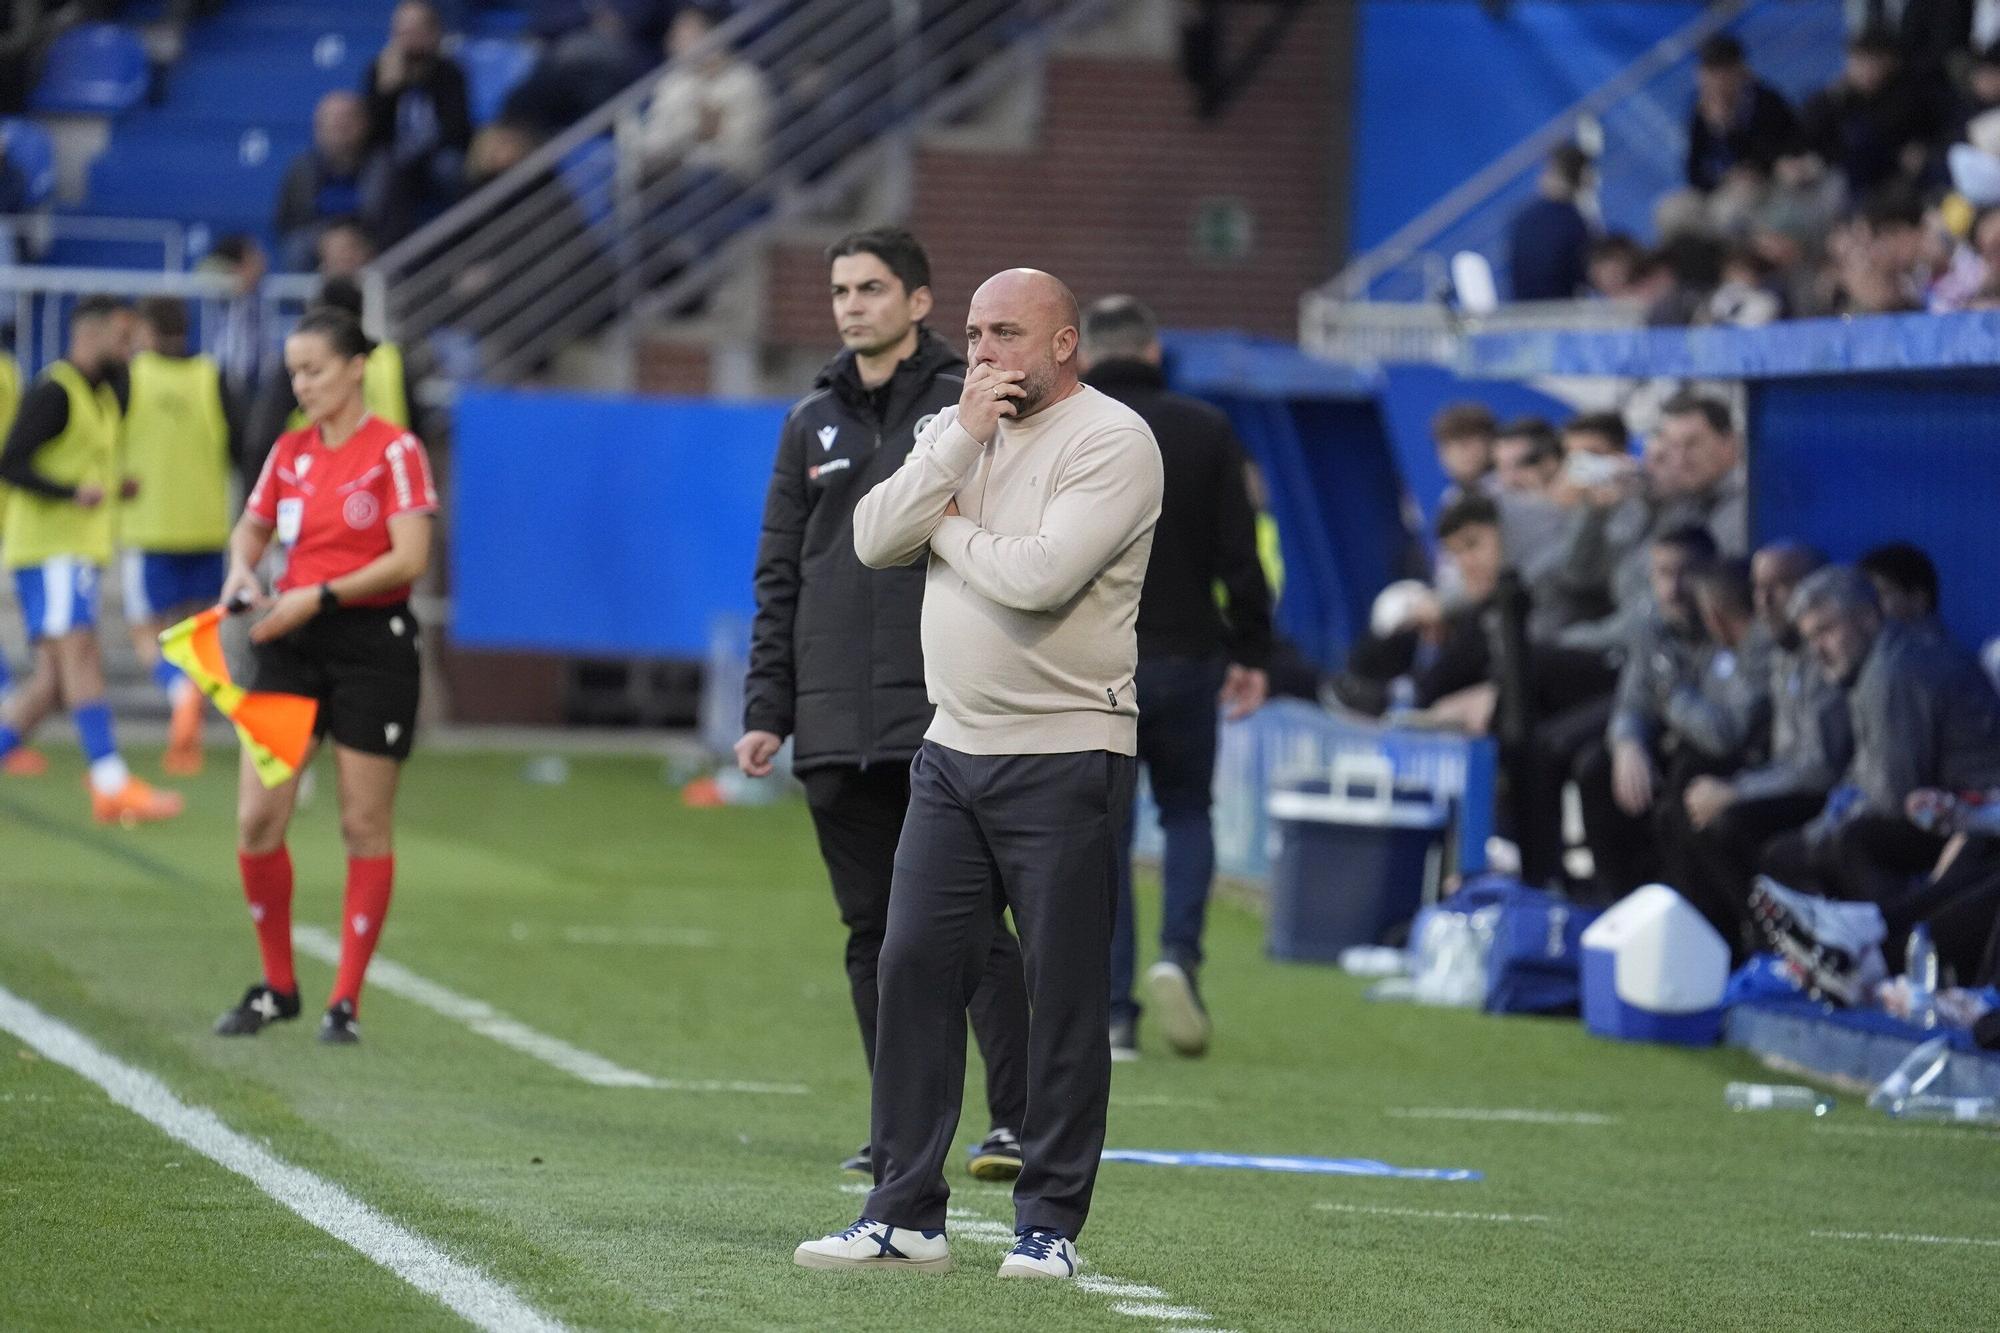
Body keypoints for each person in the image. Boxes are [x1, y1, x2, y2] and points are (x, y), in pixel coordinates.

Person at [796, 268, 1162, 1279]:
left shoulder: (1112, 440)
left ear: (1061, 343)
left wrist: (944, 528)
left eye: (1006, 331)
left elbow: (1038, 578)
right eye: (973, 331)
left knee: (1063, 993)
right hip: (951, 754)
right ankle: (904, 1210)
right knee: (909, 967)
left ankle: (1046, 1223)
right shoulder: (956, 425)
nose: (985, 349)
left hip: (1066, 753)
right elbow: (871, 536)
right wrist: (954, 445)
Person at [736, 227, 1030, 1181]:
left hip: (942, 715)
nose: (851, 304)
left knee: (973, 927)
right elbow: (780, 575)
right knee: (873, 936)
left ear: (917, 301)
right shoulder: (807, 420)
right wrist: (765, 707)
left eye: (871, 288)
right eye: (839, 290)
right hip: (830, 724)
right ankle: (899, 1132)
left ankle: (1018, 1120)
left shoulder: (966, 404)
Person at [212, 307, 440, 1046]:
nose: (301, 384)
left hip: (372, 642)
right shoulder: (289, 452)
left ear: (355, 367)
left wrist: (324, 592)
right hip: (288, 638)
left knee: (362, 821)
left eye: (313, 369)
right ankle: (279, 985)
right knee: (255, 820)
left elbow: (410, 558)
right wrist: (243, 571)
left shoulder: (396, 451)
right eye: (294, 372)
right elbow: (251, 526)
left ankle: (345, 1001)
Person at [1077, 294, 1271, 1061]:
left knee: (1108, 837)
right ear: (1155, 351)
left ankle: (1116, 1012)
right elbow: (1241, 554)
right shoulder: (1205, 427)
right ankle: (1178, 957)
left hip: (1098, 663)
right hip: (1191, 658)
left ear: (1085, 354)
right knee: (1189, 812)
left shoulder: (1077, 425)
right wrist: (1253, 650)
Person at [0, 296, 183, 823]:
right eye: (122, 337)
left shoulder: (99, 394)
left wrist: (108, 487)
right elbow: (10, 462)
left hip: (73, 548)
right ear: (91, 331)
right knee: (81, 654)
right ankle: (110, 781)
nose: (129, 348)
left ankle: (106, 779)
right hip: (51, 549)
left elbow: (81, 459)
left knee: (54, 685)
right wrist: (68, 493)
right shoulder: (54, 391)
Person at [1757, 566, 2000, 937]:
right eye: (1811, 638)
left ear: (1868, 618)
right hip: (1951, 809)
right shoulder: (1874, 665)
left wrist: (1824, 830)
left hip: (1975, 815)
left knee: (1854, 840)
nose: (1817, 650)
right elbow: (1865, 775)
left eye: (1826, 631)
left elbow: (1892, 796)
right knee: (1805, 843)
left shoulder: (1892, 671)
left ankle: (1884, 952)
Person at [1676, 543, 1849, 956]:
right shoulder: (1782, 654)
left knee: (1729, 823)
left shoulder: (1827, 655)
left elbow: (1820, 767)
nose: (1764, 601)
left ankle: (1771, 946)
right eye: (1758, 588)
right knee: (1690, 796)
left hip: (1833, 793)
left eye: (1780, 586)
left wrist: (1737, 791)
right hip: (1793, 780)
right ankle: (1719, 940)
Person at [119, 296, 242, 776]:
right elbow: (242, 445)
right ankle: (189, 740)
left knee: (146, 632)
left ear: (147, 329)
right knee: (197, 636)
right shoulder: (214, 377)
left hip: (150, 526)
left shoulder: (133, 377)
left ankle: (179, 693)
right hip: (206, 526)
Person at [1574, 525, 1722, 900]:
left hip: (1712, 745)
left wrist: (1670, 698)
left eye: (1683, 573)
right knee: (1595, 766)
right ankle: (1617, 902)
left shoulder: (1727, 624)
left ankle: (1684, 906)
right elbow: (1633, 700)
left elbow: (1725, 728)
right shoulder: (1652, 626)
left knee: (1683, 776)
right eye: (1662, 574)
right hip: (1674, 737)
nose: (1673, 589)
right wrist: (1627, 744)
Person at [361, 0, 472, 244]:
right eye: (401, 32)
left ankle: (463, 242)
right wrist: (388, 91)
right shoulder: (378, 71)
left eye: (415, 31)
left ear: (434, 33)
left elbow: (457, 128)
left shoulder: (449, 72)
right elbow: (371, 134)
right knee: (379, 176)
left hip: (438, 151)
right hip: (393, 153)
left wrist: (421, 81)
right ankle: (386, 252)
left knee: (450, 168)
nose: (407, 39)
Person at [637, 3, 773, 186]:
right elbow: (653, 142)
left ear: (710, 35)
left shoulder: (745, 79)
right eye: (676, 34)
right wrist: (696, 130)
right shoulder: (671, 84)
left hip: (733, 181)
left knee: (701, 178)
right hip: (675, 176)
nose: (675, 41)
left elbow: (745, 151)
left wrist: (693, 145)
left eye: (687, 34)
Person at [1684, 35, 1802, 195]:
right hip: (1721, 186)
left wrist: (1728, 128)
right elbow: (1694, 169)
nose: (1716, 80)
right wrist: (1721, 179)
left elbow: (1773, 151)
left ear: (1739, 70)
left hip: (1767, 182)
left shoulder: (1763, 101)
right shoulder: (1700, 110)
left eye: (1723, 71)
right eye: (1709, 71)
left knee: (1737, 203)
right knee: (1674, 210)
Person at [274, 91, 372, 272]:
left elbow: (392, 223)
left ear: (363, 124)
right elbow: (285, 223)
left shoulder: (384, 166)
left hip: (369, 241)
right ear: (318, 127)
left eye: (346, 120)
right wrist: (324, 240)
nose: (339, 127)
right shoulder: (300, 169)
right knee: (295, 250)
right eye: (332, 121)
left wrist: (353, 242)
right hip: (318, 243)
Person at [1508, 144, 1595, 301]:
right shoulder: (1573, 223)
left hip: (1524, 310)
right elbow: (1585, 275)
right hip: (1557, 312)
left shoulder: (1523, 217)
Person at [207, 235, 270, 407]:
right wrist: (235, 280)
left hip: (253, 377)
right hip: (224, 371)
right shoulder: (217, 288)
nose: (262, 260)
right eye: (253, 256)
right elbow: (204, 272)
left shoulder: (262, 293)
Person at [1857, 539, 1944, 638]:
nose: (1868, 604)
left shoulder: (1931, 651)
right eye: (1863, 595)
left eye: (1879, 593)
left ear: (1918, 600)